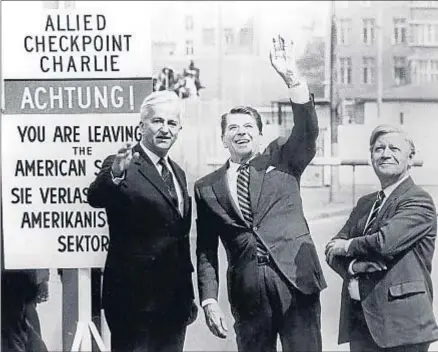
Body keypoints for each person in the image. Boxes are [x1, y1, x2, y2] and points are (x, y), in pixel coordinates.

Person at [194, 36, 327, 352]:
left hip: (297, 282)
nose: (241, 132)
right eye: (233, 128)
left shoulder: (282, 158)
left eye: (248, 127)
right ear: (223, 139)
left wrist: (291, 77)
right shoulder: (207, 187)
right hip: (248, 294)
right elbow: (205, 250)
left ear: (260, 134)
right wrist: (209, 299)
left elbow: (307, 131)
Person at [87, 90, 197, 352]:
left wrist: (187, 296)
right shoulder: (122, 164)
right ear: (141, 126)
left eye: (172, 123)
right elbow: (96, 196)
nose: (165, 129)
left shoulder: (178, 173)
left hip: (174, 303)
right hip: (133, 302)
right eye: (157, 121)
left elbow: (179, 237)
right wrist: (115, 173)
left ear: (179, 129)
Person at [325, 125, 438, 352]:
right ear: (372, 158)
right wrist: (355, 266)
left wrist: (347, 246)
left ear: (410, 158)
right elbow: (330, 249)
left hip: (402, 327)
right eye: (379, 149)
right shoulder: (365, 203)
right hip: (361, 321)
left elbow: (384, 243)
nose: (385, 154)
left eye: (394, 148)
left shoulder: (418, 200)